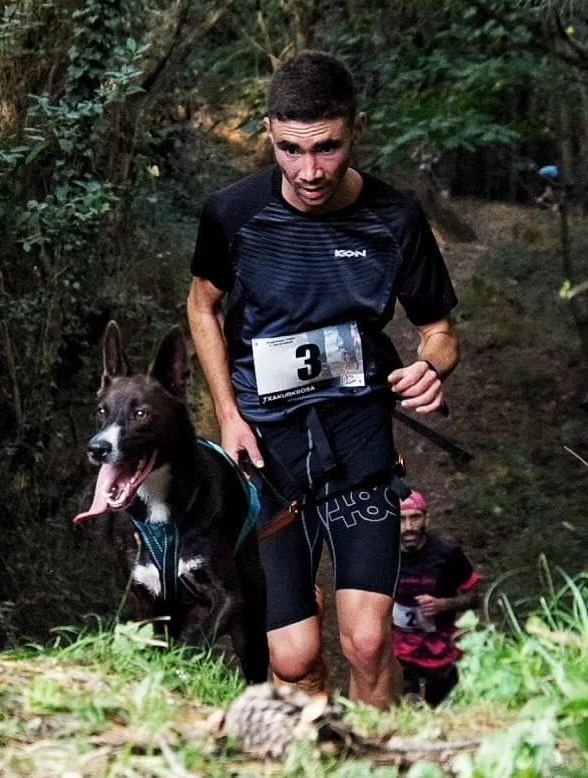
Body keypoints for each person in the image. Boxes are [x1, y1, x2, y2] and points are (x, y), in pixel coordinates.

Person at [186, 50, 459, 708]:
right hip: (266, 447)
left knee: (367, 642)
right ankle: (319, 746)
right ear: (270, 135)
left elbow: (439, 330)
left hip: (357, 438)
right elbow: (202, 305)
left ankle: (381, 751)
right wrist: (226, 411)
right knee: (293, 656)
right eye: (290, 150)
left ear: (355, 131)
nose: (309, 172)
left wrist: (432, 367)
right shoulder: (233, 214)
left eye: (328, 148)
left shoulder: (395, 220)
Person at [393, 490, 481, 706]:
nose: (409, 527)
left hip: (442, 653)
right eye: (401, 519)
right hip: (399, 655)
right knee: (407, 710)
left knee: (440, 711)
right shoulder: (384, 554)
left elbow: (474, 598)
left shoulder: (447, 553)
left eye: (415, 517)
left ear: (426, 518)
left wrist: (444, 604)